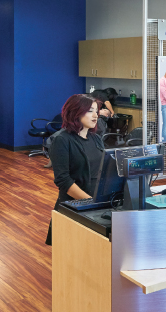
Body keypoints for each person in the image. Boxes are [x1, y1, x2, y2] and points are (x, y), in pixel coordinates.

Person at [45, 94, 104, 245]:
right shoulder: (62, 140)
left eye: (96, 111)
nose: (95, 115)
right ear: (76, 112)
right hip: (74, 206)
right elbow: (63, 180)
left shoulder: (96, 139)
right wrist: (89, 202)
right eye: (90, 111)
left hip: (96, 205)